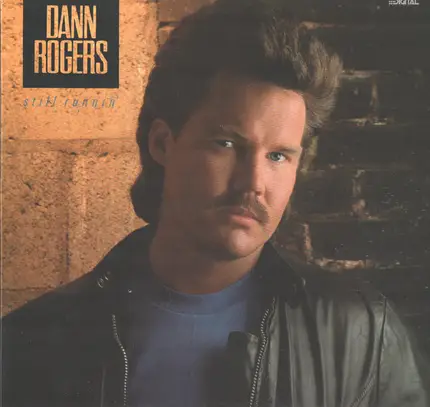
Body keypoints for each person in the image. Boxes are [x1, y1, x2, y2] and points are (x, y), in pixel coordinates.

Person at [2, 1, 428, 406]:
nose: (254, 183)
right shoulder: (35, 341)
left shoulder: (364, 334)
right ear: (162, 143)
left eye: (278, 156)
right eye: (226, 144)